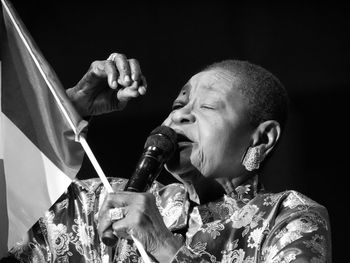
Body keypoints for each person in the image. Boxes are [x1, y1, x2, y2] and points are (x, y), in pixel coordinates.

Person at [7, 53, 331, 263]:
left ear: (262, 136)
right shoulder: (115, 206)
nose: (179, 118)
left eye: (207, 107)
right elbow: (12, 205)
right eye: (178, 105)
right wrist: (70, 110)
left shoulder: (289, 217)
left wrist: (165, 246)